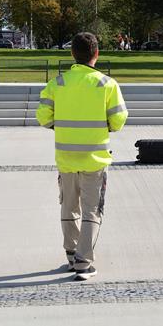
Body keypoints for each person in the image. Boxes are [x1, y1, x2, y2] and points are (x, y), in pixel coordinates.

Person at [36, 32, 128, 281]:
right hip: (94, 159)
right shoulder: (106, 84)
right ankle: (83, 263)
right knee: (92, 211)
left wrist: (59, 127)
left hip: (66, 158)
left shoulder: (58, 83)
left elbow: (43, 117)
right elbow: (118, 120)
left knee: (68, 206)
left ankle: (71, 254)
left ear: (72, 54)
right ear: (96, 54)